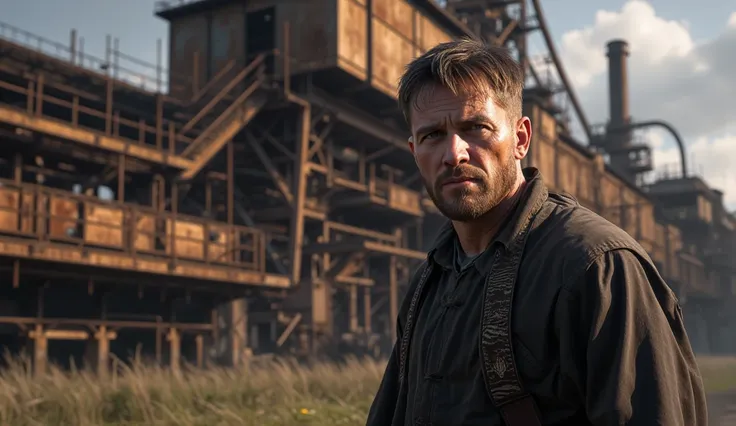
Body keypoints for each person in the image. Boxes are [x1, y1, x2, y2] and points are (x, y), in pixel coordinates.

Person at [366, 39, 707, 426]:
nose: (454, 153)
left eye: (475, 127)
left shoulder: (596, 267)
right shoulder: (430, 282)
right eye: (432, 136)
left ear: (521, 139)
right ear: (414, 151)